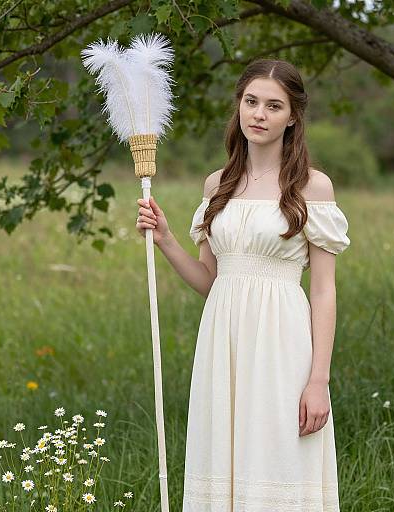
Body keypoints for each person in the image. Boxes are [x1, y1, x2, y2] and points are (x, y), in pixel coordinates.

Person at [136, 58, 350, 511]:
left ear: (293, 116)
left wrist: (318, 380)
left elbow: (324, 290)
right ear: (238, 106)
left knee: (278, 457)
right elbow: (211, 280)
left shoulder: (313, 187)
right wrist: (167, 239)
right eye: (251, 102)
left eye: (274, 106)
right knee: (225, 458)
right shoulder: (219, 184)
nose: (259, 114)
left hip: (283, 346)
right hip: (223, 343)